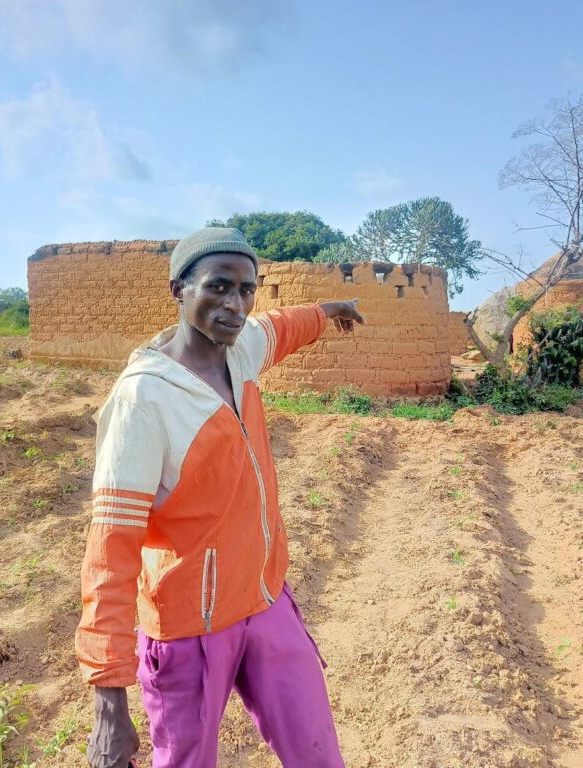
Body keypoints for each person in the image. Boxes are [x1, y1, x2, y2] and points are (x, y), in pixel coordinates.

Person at [76, 227, 364, 768]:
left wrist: (332, 308)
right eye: (218, 287)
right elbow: (111, 549)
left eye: (246, 289)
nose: (235, 304)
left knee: (318, 752)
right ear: (178, 290)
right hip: (188, 627)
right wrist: (109, 701)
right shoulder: (144, 399)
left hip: (264, 595)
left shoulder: (240, 351)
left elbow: (283, 327)